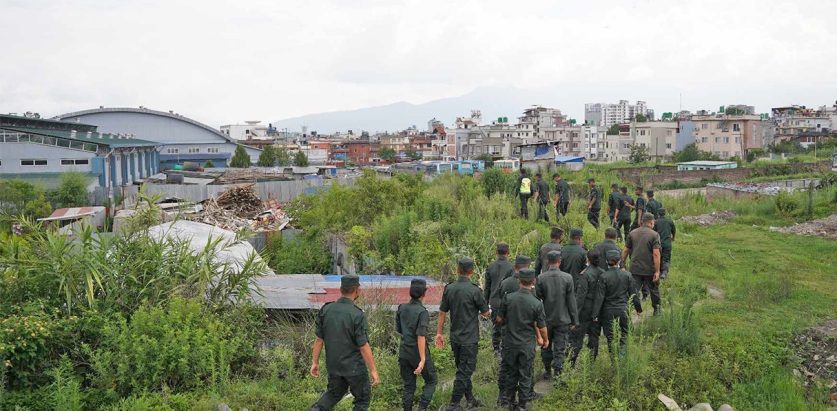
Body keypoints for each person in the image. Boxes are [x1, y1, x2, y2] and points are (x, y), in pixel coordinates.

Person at [310, 275, 380, 411]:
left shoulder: (326, 310)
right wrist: (373, 370)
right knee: (362, 399)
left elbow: (319, 339)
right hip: (354, 368)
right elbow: (363, 345)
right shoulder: (357, 314)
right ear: (356, 290)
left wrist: (315, 362)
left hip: (334, 366)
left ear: (341, 289)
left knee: (333, 394)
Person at [436, 258, 490, 411]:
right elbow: (485, 313)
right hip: (469, 338)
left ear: (457, 270)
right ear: (472, 272)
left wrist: (439, 333)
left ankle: (470, 399)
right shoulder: (475, 290)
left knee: (462, 369)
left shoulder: (449, 288)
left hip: (455, 337)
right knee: (466, 370)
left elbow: (442, 312)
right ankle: (453, 404)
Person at [496, 268, 548, 410]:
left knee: (511, 372)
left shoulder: (508, 298)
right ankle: (523, 404)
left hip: (510, 343)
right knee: (525, 373)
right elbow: (542, 326)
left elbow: (499, 319)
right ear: (533, 282)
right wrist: (545, 339)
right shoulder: (536, 303)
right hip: (526, 344)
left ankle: (511, 401)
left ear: (519, 281)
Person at [535, 251, 578, 381]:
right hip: (563, 318)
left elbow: (538, 298)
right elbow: (571, 301)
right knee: (560, 347)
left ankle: (547, 371)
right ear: (559, 261)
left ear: (548, 262)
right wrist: (574, 320)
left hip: (546, 318)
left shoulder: (541, 278)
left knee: (546, 346)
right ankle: (558, 374)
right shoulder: (567, 278)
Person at [396, 279, 438, 411]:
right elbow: (421, 335)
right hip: (418, 352)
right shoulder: (422, 312)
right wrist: (423, 359)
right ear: (424, 293)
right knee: (431, 381)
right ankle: (422, 407)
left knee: (409, 386)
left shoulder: (401, 308)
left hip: (404, 351)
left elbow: (399, 330)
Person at [592, 250, 643, 357]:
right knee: (626, 332)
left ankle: (614, 359)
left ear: (606, 261)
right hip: (623, 309)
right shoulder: (627, 275)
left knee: (610, 337)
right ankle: (622, 354)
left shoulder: (603, 277)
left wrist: (595, 314)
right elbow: (634, 294)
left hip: (608, 311)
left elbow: (599, 297)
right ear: (619, 261)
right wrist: (638, 309)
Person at [622, 213, 662, 315]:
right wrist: (657, 271)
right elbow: (656, 254)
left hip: (635, 268)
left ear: (642, 222)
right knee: (654, 290)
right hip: (650, 269)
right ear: (651, 222)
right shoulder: (654, 235)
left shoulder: (632, 233)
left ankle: (631, 310)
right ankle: (657, 311)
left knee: (633, 290)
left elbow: (626, 250)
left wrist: (622, 264)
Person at [571, 250, 605, 362]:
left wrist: (575, 315)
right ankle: (592, 361)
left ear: (588, 259)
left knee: (577, 337)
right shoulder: (602, 272)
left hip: (585, 309)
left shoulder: (585, 274)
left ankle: (572, 361)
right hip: (598, 309)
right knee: (594, 336)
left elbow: (580, 297)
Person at [484, 243, 515, 356]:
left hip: (494, 302)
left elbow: (487, 287)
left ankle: (496, 349)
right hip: (507, 301)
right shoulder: (511, 267)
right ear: (508, 253)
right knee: (507, 326)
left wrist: (485, 304)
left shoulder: (490, 266)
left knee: (496, 326)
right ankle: (506, 349)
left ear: (496, 252)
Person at [653, 208, 676, 280]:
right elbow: (674, 230)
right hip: (667, 243)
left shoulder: (656, 222)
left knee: (658, 257)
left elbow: (653, 233)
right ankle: (664, 273)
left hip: (658, 244)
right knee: (666, 259)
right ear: (665, 213)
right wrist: (673, 237)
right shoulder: (670, 221)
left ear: (658, 214)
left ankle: (658, 272)